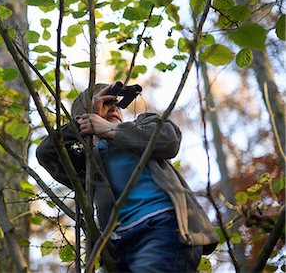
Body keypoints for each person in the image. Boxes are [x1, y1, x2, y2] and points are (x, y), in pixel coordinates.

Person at [36, 83, 219, 272]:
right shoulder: (89, 164)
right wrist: (80, 125)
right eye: (106, 104)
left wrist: (108, 130)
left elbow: (169, 140)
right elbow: (46, 153)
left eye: (115, 103)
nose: (113, 108)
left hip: (164, 227)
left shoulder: (142, 127)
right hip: (121, 248)